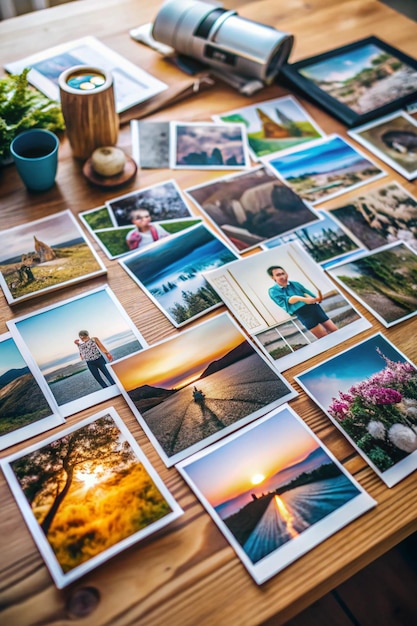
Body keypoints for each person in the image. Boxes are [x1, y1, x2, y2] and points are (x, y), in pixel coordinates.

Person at [267, 266, 338, 339]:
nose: (282, 276)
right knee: (324, 336)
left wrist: (313, 298)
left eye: (283, 273)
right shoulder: (273, 291)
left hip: (314, 308)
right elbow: (289, 300)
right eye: (278, 275)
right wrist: (304, 299)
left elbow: (307, 293)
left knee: (334, 330)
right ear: (273, 277)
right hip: (302, 313)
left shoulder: (295, 283)